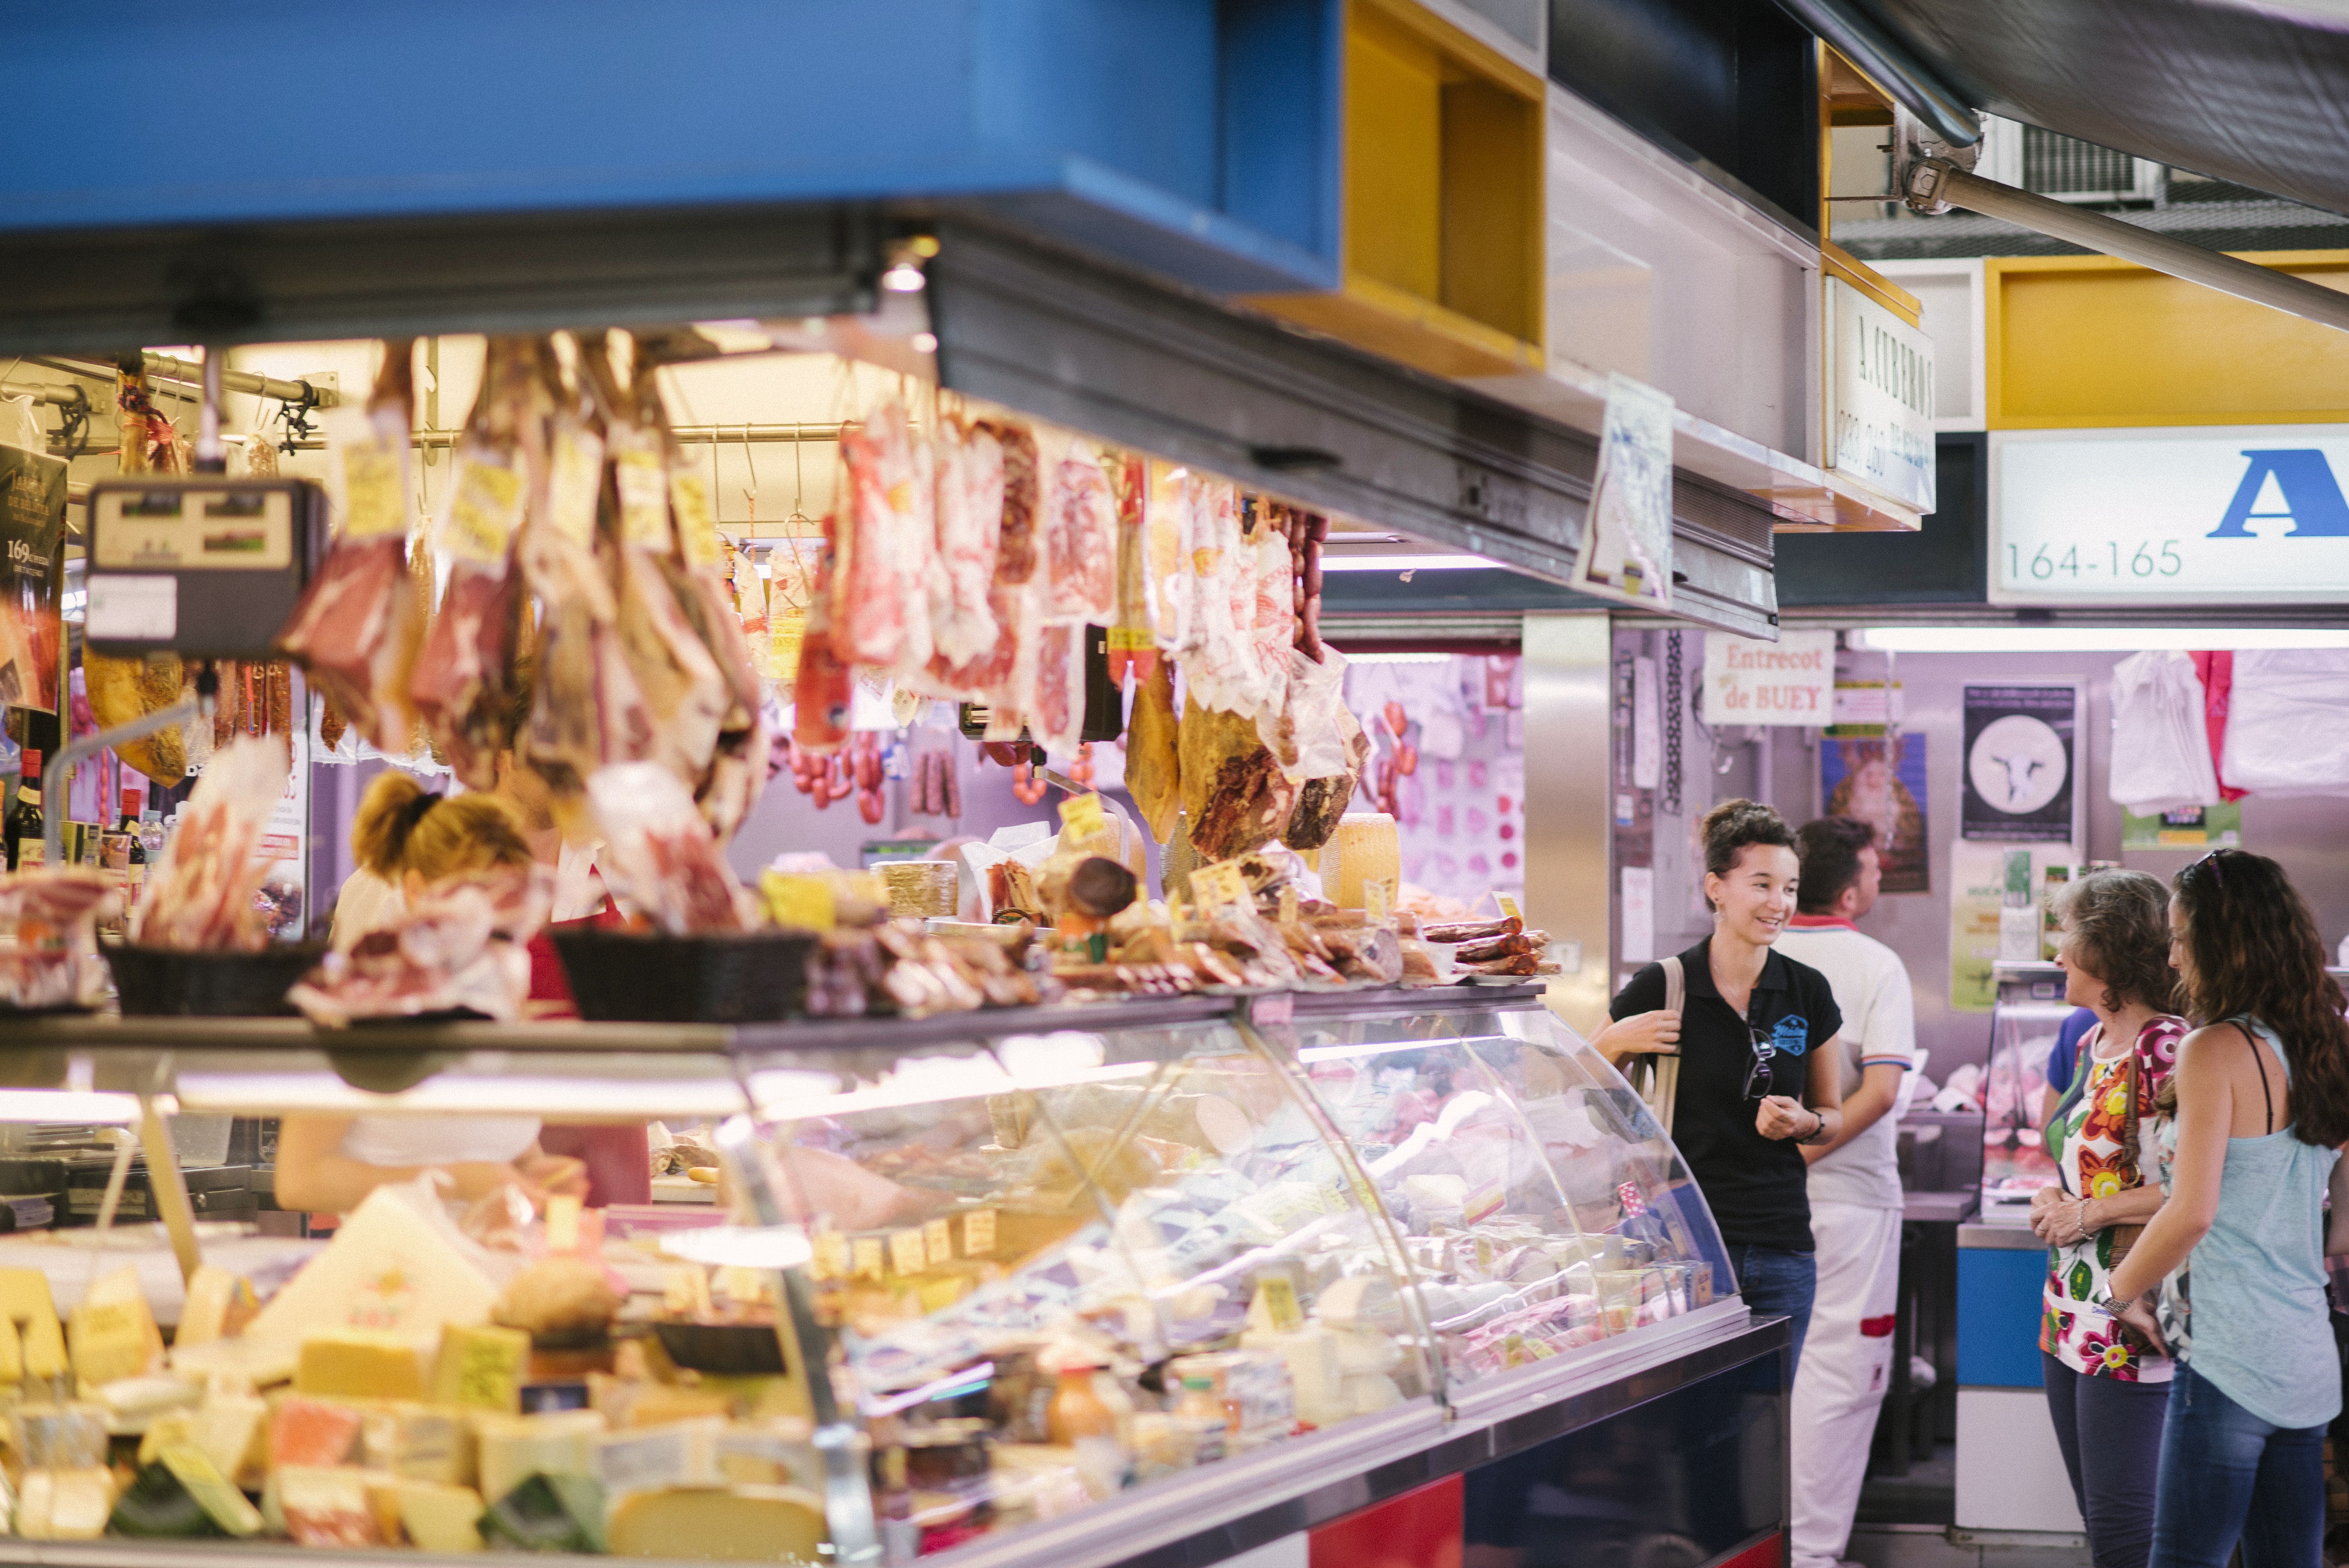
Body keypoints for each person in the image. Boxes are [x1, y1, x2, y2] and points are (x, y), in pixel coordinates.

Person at [2104, 850, 2349, 1568]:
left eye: (2181, 936)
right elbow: (2346, 1227)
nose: (2173, 956)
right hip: (2305, 1353)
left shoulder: (2213, 1049)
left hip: (2226, 1358)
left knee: (2184, 1559)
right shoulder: (2328, 1043)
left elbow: (2192, 1211)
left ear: (2224, 942)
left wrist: (2119, 1292)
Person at [1596, 799, 1847, 1372]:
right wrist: (1613, 1043)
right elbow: (1569, 1081)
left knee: (1766, 1426)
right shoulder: (1666, 984)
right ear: (1717, 888)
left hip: (1782, 1244)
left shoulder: (1807, 991)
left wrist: (1806, 1124)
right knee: (1683, 1420)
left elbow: (1832, 1112)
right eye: (1762, 885)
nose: (1778, 903)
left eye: (1789, 888)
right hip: (1676, 1245)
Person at [275, 773, 586, 1216]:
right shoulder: (359, 1008)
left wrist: (537, 1169)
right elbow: (299, 1181)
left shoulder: (496, 998)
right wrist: (456, 1182)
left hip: (499, 1266)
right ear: (417, 888)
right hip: (396, 1272)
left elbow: (497, 1139)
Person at [2025, 870, 2182, 1568]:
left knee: (2127, 1531)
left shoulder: (2168, 1047)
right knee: (2099, 1517)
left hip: (2132, 1302)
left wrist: (2088, 1211)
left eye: (2069, 937)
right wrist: (2053, 1200)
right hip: (2069, 1302)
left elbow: (2199, 1186)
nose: (2058, 954)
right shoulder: (2093, 1044)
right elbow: (2078, 1163)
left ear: (2110, 949)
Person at [1776, 816, 1917, 1568]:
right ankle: (1814, 1555)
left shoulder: (1754, 954)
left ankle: (1766, 1545)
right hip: (1849, 1203)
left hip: (1762, 1209)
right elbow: (1884, 1091)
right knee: (1842, 1378)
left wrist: (1777, 1163)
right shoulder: (1875, 965)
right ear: (1850, 885)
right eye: (1874, 868)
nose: (1879, 880)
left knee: (1771, 1375)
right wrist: (1814, 1148)